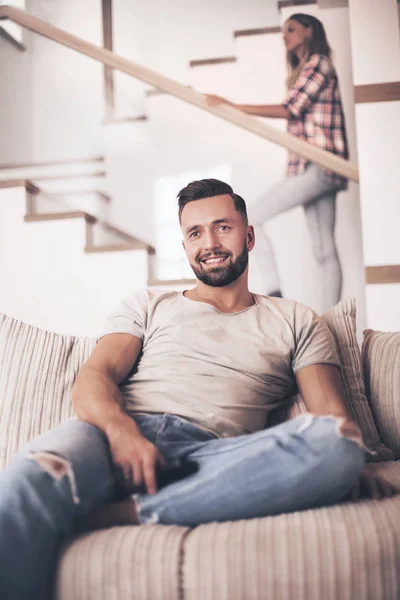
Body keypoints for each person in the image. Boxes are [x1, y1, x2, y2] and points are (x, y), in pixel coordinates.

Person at [0, 179, 396, 600]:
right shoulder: (150, 305)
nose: (210, 242)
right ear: (185, 245)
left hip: (215, 457)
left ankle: (132, 511)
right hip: (109, 439)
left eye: (223, 227)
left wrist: (352, 462)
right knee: (24, 483)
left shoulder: (297, 319)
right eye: (195, 232)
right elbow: (93, 378)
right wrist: (122, 433)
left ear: (249, 235)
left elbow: (332, 418)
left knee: (336, 444)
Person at [205, 13, 349, 312]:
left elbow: (290, 109)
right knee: (323, 248)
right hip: (317, 167)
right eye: (283, 30)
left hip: (320, 165)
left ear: (310, 32)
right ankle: (333, 318)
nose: (285, 35)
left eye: (291, 29)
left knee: (252, 216)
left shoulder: (318, 62)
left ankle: (274, 291)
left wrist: (233, 106)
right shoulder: (304, 68)